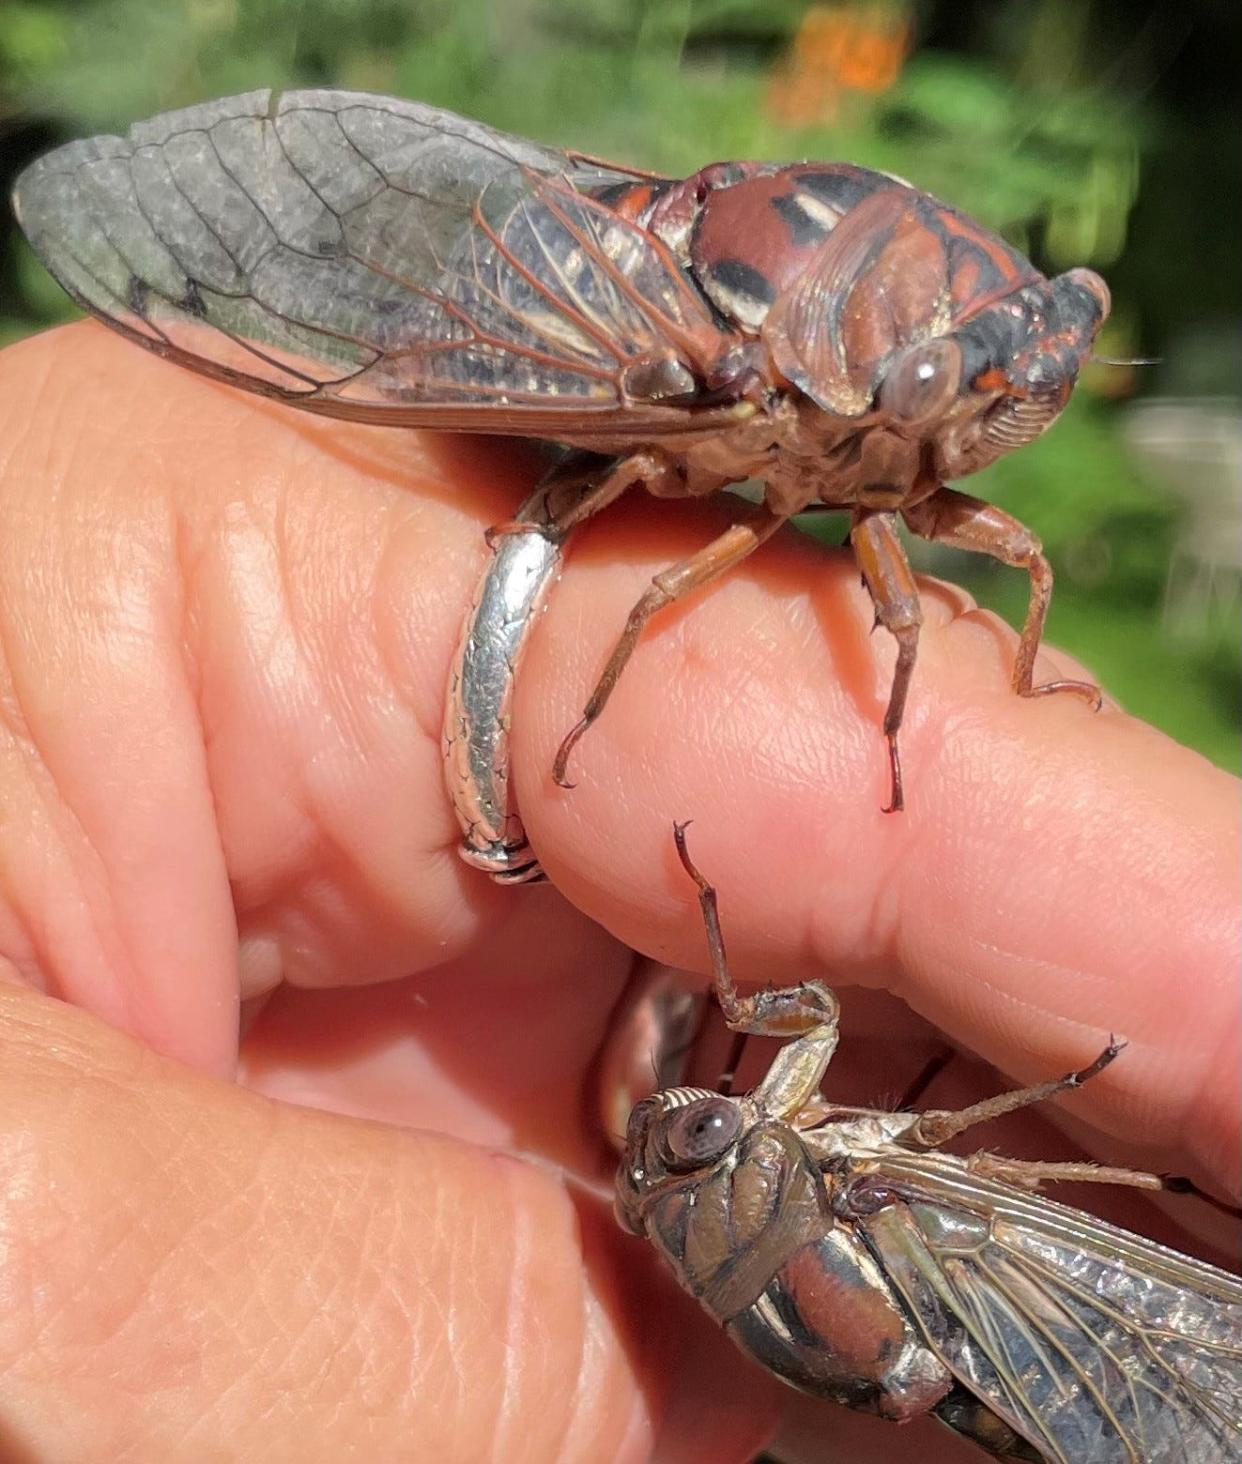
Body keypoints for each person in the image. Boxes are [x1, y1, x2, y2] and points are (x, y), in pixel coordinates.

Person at [0, 323, 1236, 1463]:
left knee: (989, 1169)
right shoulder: (859, 1184)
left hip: (886, 1262)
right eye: (697, 1137)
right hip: (946, 1257)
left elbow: (834, 1054)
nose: (698, 1112)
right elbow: (953, 1129)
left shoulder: (810, 1174)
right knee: (1003, 1192)